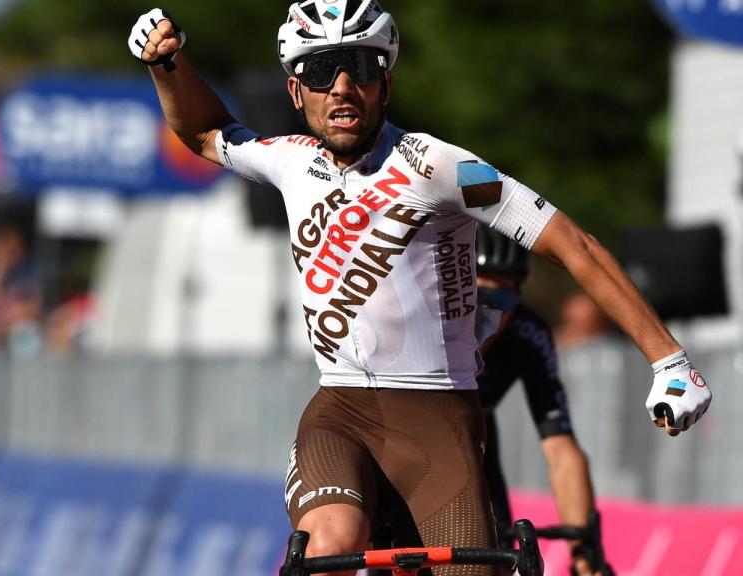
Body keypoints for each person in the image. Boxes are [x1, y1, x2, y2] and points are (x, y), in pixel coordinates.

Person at [128, 2, 713, 574]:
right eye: (318, 71)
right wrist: (166, 67)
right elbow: (203, 130)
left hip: (439, 420)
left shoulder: (437, 166)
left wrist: (668, 358)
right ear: (294, 91)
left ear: (385, 81)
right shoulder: (289, 162)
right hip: (340, 413)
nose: (340, 88)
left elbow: (568, 243)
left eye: (358, 68)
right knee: (328, 550)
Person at [474, 224, 609, 576]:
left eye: (501, 300)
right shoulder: (423, 317)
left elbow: (561, 449)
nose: (487, 314)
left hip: (475, 435)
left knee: (498, 556)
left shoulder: (527, 333)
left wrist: (584, 552)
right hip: (406, 430)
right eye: (477, 298)